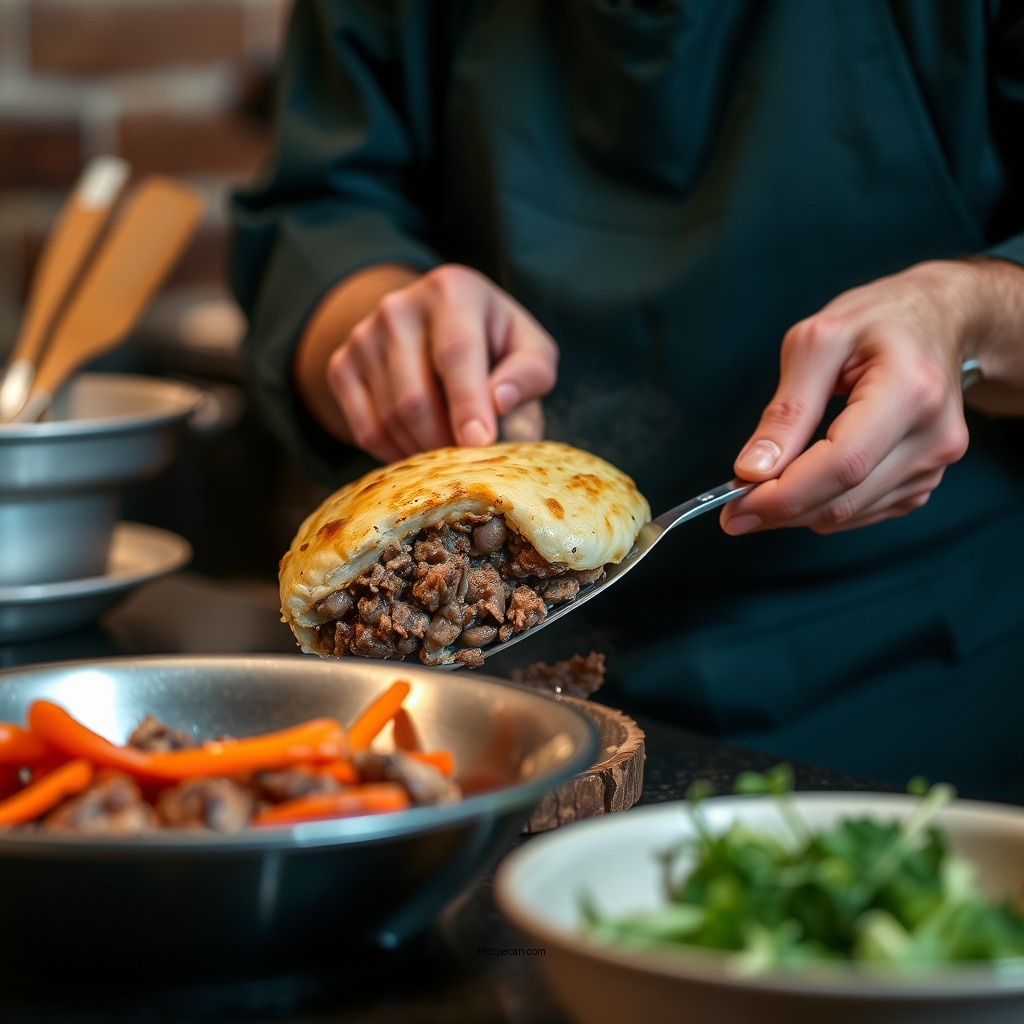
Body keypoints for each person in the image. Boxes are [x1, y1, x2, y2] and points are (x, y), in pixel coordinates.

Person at [228, 0, 1024, 804]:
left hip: (914, 670)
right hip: (486, 714)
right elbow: (323, 208)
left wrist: (970, 314)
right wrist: (378, 324)